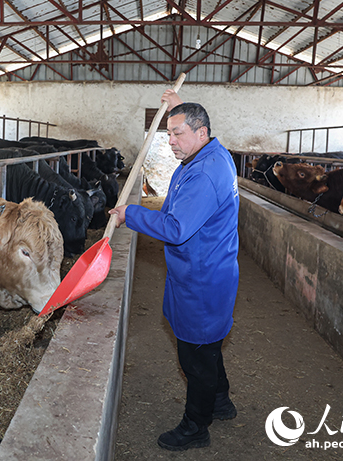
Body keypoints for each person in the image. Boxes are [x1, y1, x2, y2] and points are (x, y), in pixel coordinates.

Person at [109, 89, 240, 451]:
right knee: (208, 344)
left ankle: (196, 426)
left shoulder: (204, 174)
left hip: (202, 278)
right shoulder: (212, 153)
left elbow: (177, 227)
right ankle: (220, 401)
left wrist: (129, 214)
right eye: (168, 135)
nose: (171, 143)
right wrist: (179, 106)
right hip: (207, 269)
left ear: (201, 133)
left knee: (194, 356)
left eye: (178, 134)